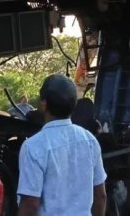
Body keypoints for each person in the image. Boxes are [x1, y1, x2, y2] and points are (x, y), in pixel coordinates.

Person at [17, 75, 107, 216]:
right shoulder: (90, 140)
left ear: (44, 103)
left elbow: (30, 205)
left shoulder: (33, 146)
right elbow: (100, 196)